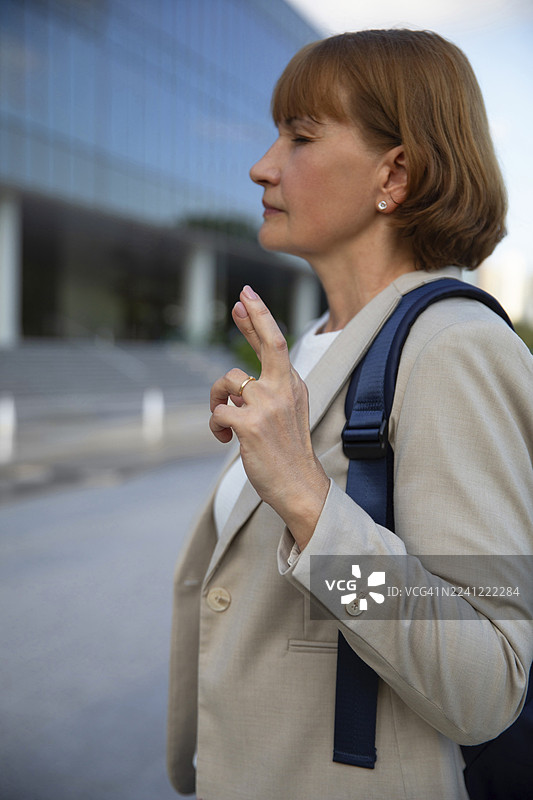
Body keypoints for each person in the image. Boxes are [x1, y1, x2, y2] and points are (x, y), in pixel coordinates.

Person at [167, 29, 533, 800]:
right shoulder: (312, 348)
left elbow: (487, 680)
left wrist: (308, 504)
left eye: (299, 136)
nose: (261, 165)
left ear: (393, 172)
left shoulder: (452, 348)